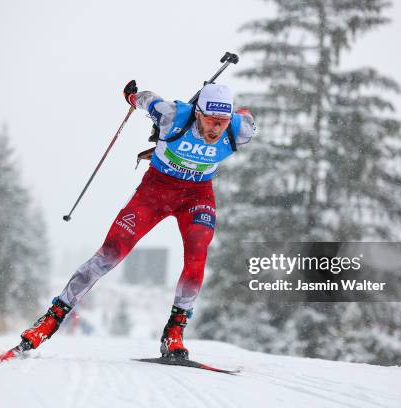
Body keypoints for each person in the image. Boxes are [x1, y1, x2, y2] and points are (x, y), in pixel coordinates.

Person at [19, 81, 256, 360]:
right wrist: (131, 96)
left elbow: (247, 117)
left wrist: (239, 113)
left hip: (197, 197)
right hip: (154, 193)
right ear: (197, 113)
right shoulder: (173, 116)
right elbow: (148, 99)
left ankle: (174, 333)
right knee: (110, 254)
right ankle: (50, 320)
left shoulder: (239, 130)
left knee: (198, 252)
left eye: (223, 122)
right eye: (211, 120)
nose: (216, 129)